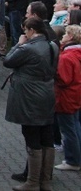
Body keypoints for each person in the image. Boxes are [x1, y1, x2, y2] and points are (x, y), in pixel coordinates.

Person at [4, 17, 59, 191]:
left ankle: (33, 182)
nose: (24, 34)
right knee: (47, 137)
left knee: (32, 136)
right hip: (47, 94)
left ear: (31, 31)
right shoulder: (53, 46)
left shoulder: (28, 49)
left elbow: (8, 61)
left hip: (29, 97)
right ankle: (45, 181)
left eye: (25, 31)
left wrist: (18, 44)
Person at [54, 25, 81, 172]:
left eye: (65, 34)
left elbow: (63, 79)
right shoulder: (77, 53)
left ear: (70, 37)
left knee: (68, 130)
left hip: (66, 97)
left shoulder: (67, 57)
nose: (62, 36)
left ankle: (72, 160)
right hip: (76, 95)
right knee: (75, 126)